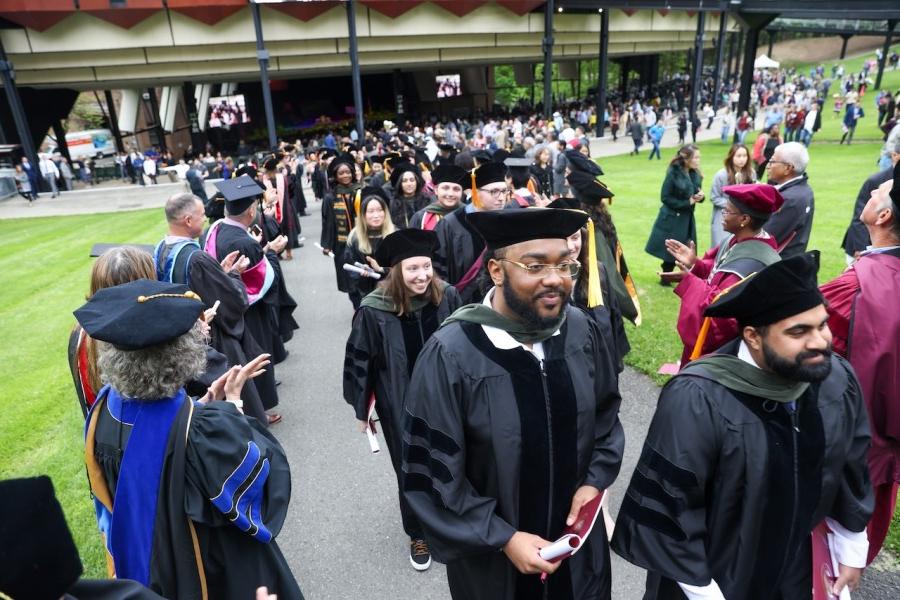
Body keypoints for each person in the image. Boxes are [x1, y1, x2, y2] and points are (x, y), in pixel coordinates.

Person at [612, 252, 874, 600]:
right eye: (799, 331)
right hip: (710, 576)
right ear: (752, 336)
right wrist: (705, 593)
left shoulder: (833, 378)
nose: (819, 341)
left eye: (822, 324)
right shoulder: (699, 397)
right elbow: (671, 508)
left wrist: (852, 548)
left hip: (796, 564)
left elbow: (851, 464)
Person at [402, 207, 624, 600]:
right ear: (497, 271)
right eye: (535, 266)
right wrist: (503, 537)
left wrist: (594, 481)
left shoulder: (580, 331)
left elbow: (606, 419)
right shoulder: (451, 355)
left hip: (577, 553)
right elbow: (433, 476)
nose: (554, 279)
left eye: (564, 265)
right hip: (494, 568)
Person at [75, 279, 304, 600]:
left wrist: (203, 411)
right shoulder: (202, 430)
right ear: (183, 354)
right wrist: (233, 411)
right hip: (209, 573)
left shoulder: (103, 408)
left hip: (143, 565)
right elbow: (262, 490)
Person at [343, 228, 461, 571]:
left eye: (427, 267)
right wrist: (361, 408)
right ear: (396, 272)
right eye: (413, 269)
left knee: (456, 459)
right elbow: (361, 359)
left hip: (449, 400)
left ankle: (453, 519)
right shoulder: (374, 309)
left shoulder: (448, 297)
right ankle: (418, 531)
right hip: (401, 406)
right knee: (411, 470)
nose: (422, 275)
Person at [821, 164, 900, 565]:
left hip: (850, 451)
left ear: (884, 216)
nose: (869, 195)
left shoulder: (856, 285)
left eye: (877, 193)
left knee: (826, 563)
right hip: (887, 451)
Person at [154, 191, 278, 424]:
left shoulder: (161, 249)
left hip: (184, 335)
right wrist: (233, 275)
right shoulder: (197, 258)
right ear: (188, 220)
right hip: (213, 335)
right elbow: (232, 300)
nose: (205, 218)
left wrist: (219, 272)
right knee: (233, 391)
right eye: (201, 215)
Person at [204, 175, 295, 425]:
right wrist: (272, 253)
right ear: (252, 210)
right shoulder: (244, 241)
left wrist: (260, 251)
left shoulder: (214, 231)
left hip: (225, 309)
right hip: (249, 313)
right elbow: (264, 282)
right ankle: (259, 411)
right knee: (254, 357)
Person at [663, 183, 783, 366]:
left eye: (727, 212)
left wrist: (689, 282)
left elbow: (720, 320)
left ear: (744, 219)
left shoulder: (751, 263)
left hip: (721, 358)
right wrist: (695, 265)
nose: (722, 215)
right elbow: (717, 270)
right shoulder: (738, 240)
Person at [550, 197, 630, 371]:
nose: (571, 246)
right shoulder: (546, 280)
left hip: (602, 364)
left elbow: (614, 317)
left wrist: (615, 363)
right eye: (564, 239)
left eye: (575, 237)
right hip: (569, 369)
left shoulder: (597, 271)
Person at [566, 170, 641, 326]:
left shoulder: (591, 228)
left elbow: (607, 267)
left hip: (597, 297)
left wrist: (626, 305)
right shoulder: (601, 218)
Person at [433, 161, 509, 303]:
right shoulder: (449, 225)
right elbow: (438, 274)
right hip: (460, 307)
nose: (501, 197)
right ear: (475, 192)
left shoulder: (508, 222)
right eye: (494, 191)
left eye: (504, 191)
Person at [645, 144, 703, 283]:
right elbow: (665, 197)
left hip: (687, 217)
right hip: (673, 217)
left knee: (686, 246)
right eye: (696, 157)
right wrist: (686, 203)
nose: (698, 160)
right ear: (687, 158)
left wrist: (700, 197)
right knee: (671, 248)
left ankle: (679, 275)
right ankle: (666, 276)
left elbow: (695, 191)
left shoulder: (694, 173)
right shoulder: (674, 173)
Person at [840, 140, 898, 262]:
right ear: (894, 155)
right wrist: (861, 249)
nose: (874, 194)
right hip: (864, 245)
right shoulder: (876, 181)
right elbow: (859, 216)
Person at [341, 187, 395, 308]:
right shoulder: (354, 238)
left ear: (385, 212)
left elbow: (404, 267)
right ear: (363, 214)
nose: (376, 215)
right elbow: (350, 265)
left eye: (380, 210)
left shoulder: (396, 235)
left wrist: (382, 269)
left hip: (394, 292)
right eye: (370, 211)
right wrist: (360, 273)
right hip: (366, 294)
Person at [321, 153, 362, 295]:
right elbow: (327, 223)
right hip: (341, 246)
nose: (345, 175)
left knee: (364, 279)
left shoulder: (359, 192)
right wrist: (326, 244)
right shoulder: (330, 197)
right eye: (341, 173)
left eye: (348, 172)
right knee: (349, 282)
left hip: (361, 243)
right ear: (336, 176)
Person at [765, 142, 815, 258]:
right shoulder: (804, 190)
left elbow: (765, 237)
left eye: (772, 161)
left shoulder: (790, 199)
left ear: (788, 168)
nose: (768, 165)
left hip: (776, 265)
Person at [709, 144, 756, 248]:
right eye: (738, 156)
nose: (742, 159)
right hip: (723, 216)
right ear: (731, 157)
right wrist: (733, 205)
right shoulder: (721, 175)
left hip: (743, 217)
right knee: (720, 247)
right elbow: (714, 197)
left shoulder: (751, 173)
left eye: (744, 156)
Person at [261, 153, 300, 261]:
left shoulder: (263, 181)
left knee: (275, 230)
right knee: (286, 230)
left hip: (271, 211)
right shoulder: (284, 178)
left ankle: (278, 254)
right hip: (285, 209)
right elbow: (292, 191)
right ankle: (288, 252)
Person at [409, 164, 467, 230]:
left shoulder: (470, 215)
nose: (451, 193)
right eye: (445, 188)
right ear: (436, 190)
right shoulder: (420, 218)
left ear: (462, 192)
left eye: (456, 189)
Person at [388, 163, 431, 229]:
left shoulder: (427, 200)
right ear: (400, 184)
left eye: (412, 180)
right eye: (404, 181)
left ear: (416, 182)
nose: (409, 184)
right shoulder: (393, 204)